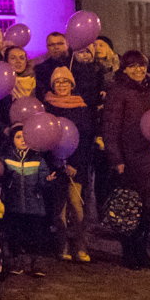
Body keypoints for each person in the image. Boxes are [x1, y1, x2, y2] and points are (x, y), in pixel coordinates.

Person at [101, 50, 150, 270]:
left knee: (148, 209)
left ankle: (143, 251)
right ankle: (129, 252)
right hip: (129, 158)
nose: (139, 70)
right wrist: (116, 158)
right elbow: (111, 128)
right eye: (133, 66)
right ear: (124, 69)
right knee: (130, 207)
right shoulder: (119, 92)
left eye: (142, 65)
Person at [43, 66, 93, 263]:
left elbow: (84, 138)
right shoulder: (47, 106)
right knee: (59, 208)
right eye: (57, 82)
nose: (61, 85)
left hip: (75, 164)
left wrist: (75, 164)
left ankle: (80, 244)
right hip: (54, 163)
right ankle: (62, 244)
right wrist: (56, 161)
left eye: (65, 82)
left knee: (76, 205)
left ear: (72, 85)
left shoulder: (81, 107)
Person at [0, 125, 52, 277]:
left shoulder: (38, 159)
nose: (22, 140)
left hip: (34, 206)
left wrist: (47, 180)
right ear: (12, 140)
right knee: (15, 235)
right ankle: (16, 261)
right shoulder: (7, 158)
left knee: (35, 235)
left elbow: (43, 182)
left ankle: (36, 263)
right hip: (13, 205)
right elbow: (1, 177)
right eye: (18, 137)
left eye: (25, 137)